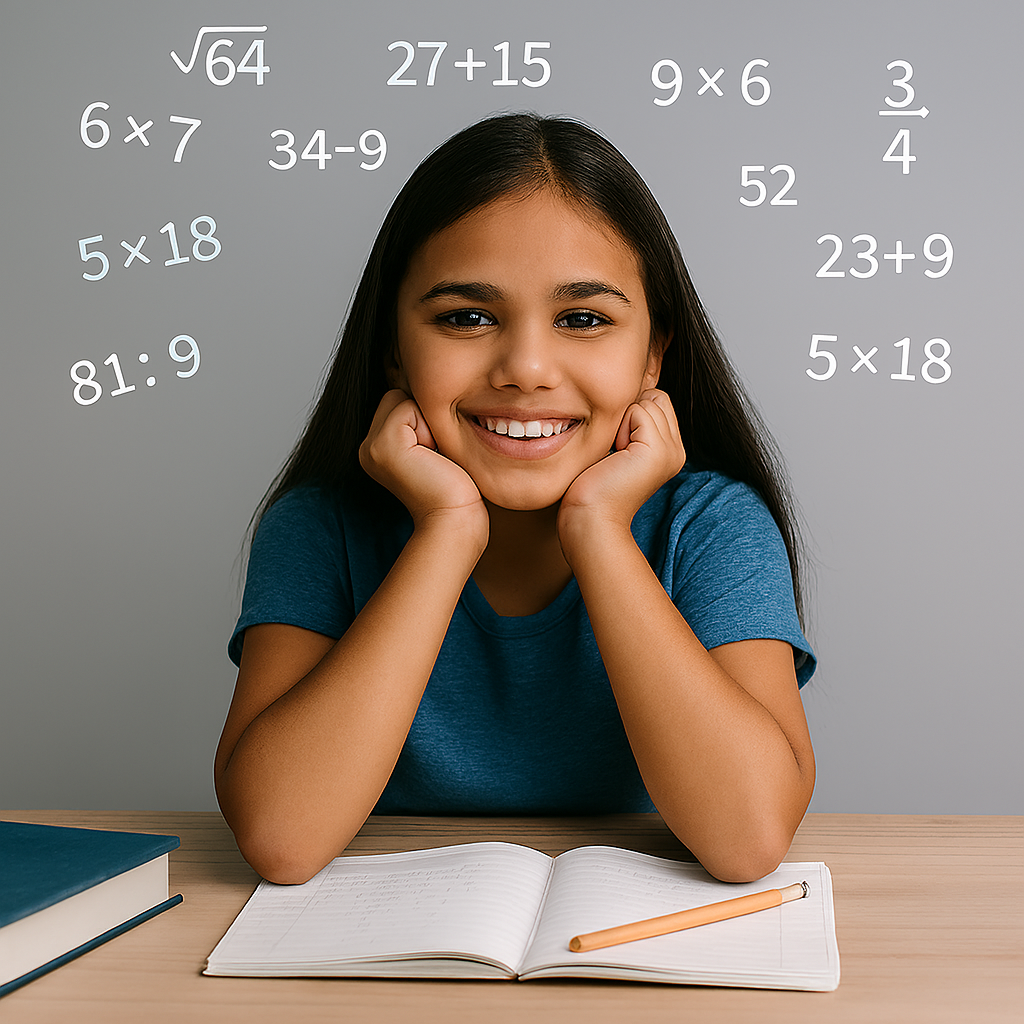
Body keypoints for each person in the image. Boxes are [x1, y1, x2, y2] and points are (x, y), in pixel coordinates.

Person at [214, 113, 816, 886]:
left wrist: (598, 528)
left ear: (652, 354)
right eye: (467, 317)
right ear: (395, 348)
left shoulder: (712, 526)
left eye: (583, 319)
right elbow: (281, 838)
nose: (526, 367)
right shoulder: (320, 526)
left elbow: (749, 839)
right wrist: (447, 530)